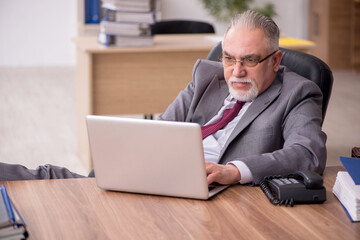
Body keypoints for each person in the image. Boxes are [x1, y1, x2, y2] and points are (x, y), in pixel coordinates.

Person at [0, 10, 326, 184]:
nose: (236, 71)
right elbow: (159, 131)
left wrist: (233, 170)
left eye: (249, 60)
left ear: (275, 60)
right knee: (43, 177)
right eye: (229, 58)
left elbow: (307, 154)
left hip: (204, 195)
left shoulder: (298, 92)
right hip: (150, 175)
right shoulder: (206, 77)